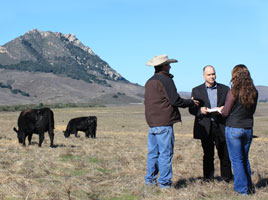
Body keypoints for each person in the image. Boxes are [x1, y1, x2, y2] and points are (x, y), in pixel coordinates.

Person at [144, 54, 199, 188]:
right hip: (164, 123)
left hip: (152, 123)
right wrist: (191, 103)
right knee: (165, 154)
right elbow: (175, 100)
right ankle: (164, 183)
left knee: (153, 154)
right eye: (168, 64)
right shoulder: (166, 80)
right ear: (163, 66)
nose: (169, 66)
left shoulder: (149, 81)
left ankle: (150, 182)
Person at [189, 65, 233, 182]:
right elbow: (191, 109)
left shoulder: (225, 89)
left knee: (224, 154)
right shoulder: (196, 90)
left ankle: (227, 178)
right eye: (209, 74)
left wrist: (225, 108)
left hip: (221, 125)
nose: (212, 76)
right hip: (206, 126)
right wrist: (200, 111)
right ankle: (208, 179)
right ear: (204, 76)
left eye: (213, 74)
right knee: (208, 155)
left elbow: (231, 106)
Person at [220, 64, 258, 195]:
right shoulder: (254, 92)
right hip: (248, 128)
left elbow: (225, 113)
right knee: (244, 158)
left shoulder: (233, 92)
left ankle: (241, 190)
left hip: (234, 129)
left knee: (236, 160)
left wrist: (221, 110)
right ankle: (249, 187)